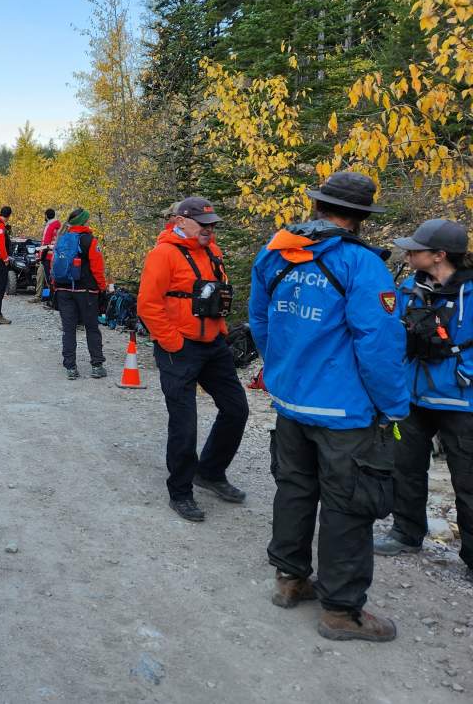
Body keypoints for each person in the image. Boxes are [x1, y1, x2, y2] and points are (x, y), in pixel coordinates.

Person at [249, 172, 409, 642]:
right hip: (346, 413)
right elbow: (378, 343)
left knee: (294, 489)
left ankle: (290, 579)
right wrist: (394, 406)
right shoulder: (362, 265)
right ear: (362, 217)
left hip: (291, 400)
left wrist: (281, 370)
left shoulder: (275, 252)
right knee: (348, 506)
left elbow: (260, 321)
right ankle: (341, 610)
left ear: (318, 206)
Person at [374, 219, 473, 583]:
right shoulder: (408, 288)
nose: (409, 252)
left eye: (416, 248)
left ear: (439, 256)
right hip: (412, 397)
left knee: (468, 480)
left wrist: (466, 370)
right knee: (406, 467)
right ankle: (406, 533)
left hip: (462, 401)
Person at [138, 196, 248, 522]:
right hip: (179, 348)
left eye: (212, 224)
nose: (209, 230)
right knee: (185, 423)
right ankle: (181, 491)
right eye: (203, 223)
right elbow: (148, 305)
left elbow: (218, 294)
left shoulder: (213, 252)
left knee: (236, 408)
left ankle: (210, 472)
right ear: (181, 220)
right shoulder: (163, 254)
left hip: (213, 343)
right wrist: (172, 341)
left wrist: (223, 330)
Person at [52, 208, 107, 380]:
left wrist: (55, 286)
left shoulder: (62, 239)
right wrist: (102, 288)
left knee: (68, 330)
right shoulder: (89, 240)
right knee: (91, 328)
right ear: (84, 222)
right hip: (86, 291)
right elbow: (97, 268)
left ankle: (70, 367)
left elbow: (55, 264)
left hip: (63, 289)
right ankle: (97, 366)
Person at [31, 209, 63, 302]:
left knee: (47, 278)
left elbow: (45, 243)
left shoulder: (50, 226)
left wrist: (40, 257)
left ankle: (50, 298)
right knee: (42, 276)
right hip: (54, 255)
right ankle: (43, 296)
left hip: (47, 256)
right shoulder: (59, 225)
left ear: (46, 216)